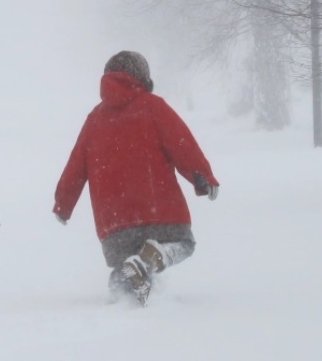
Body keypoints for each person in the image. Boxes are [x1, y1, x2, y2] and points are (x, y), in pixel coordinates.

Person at [52, 51, 219, 305]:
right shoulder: (152, 107)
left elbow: (75, 167)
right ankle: (156, 256)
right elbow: (181, 143)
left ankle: (124, 298)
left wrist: (63, 205)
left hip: (114, 223)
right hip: (158, 211)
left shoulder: (94, 119)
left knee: (124, 265)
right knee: (184, 244)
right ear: (142, 77)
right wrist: (202, 176)